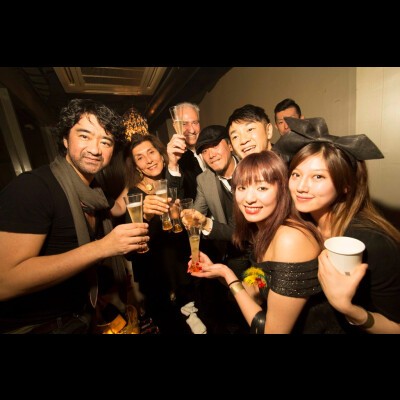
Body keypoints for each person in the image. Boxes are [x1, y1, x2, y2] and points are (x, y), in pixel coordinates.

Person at [0, 98, 149, 334]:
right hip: (40, 326)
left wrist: (141, 180)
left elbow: (118, 208)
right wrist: (102, 247)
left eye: (105, 141)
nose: (95, 149)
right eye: (84, 136)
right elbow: (4, 282)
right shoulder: (33, 188)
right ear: (65, 139)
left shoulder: (95, 194)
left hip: (81, 317)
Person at [190, 151, 341, 334]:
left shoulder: (290, 238)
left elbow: (272, 331)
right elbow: (256, 292)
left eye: (262, 188)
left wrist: (228, 276)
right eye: (242, 188)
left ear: (282, 190)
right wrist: (220, 273)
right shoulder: (262, 231)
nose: (249, 198)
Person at [274, 116, 400, 333]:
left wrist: (349, 309)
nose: (301, 186)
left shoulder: (373, 242)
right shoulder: (302, 226)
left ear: (345, 185)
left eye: (318, 177)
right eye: (296, 174)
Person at [114, 133, 192, 334]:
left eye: (151, 152)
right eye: (140, 158)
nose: (148, 160)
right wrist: (145, 216)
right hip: (158, 282)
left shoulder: (176, 179)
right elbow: (129, 252)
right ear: (136, 167)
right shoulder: (135, 195)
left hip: (186, 272)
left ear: (161, 154)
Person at [185, 125, 249, 333]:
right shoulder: (204, 180)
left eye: (214, 145)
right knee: (237, 309)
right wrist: (185, 215)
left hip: (262, 251)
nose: (211, 154)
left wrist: (205, 223)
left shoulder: (251, 166)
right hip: (231, 253)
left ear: (229, 145)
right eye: (204, 151)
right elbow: (196, 215)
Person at [167, 102, 206, 199]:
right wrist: (173, 164)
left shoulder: (210, 146)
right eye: (184, 124)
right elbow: (174, 199)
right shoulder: (173, 160)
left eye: (195, 122)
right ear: (175, 126)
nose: (191, 130)